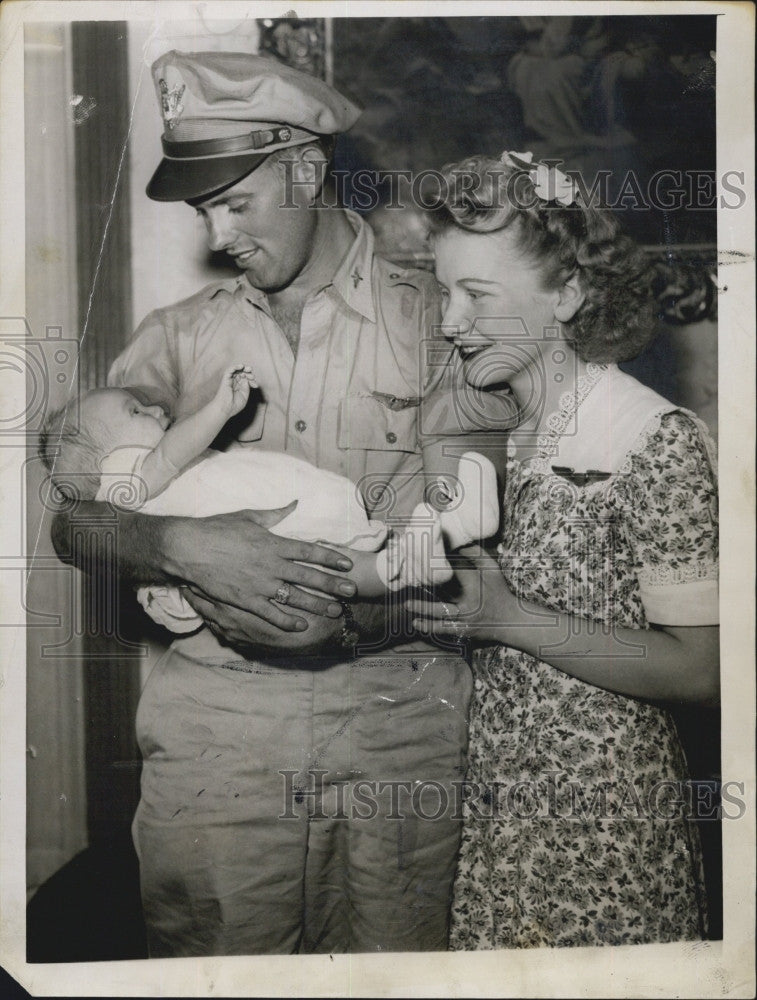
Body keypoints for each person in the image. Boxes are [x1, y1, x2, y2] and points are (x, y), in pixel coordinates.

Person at [49, 50, 516, 955]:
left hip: (398, 727)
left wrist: (344, 625)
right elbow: (79, 519)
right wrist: (180, 545)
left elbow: (472, 545)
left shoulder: (440, 322)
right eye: (203, 211)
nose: (220, 236)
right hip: (217, 739)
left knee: (396, 967)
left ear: (305, 171)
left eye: (235, 203)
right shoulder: (176, 338)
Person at [410, 150, 718, 948]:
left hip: (605, 822)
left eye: (477, 294)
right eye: (444, 292)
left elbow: (700, 667)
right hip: (501, 805)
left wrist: (505, 618)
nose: (450, 320)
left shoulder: (651, 437)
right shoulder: (497, 434)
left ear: (568, 293)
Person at [40, 370, 499, 630]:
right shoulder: (132, 479)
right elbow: (71, 526)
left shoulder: (155, 478)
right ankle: (416, 559)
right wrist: (219, 408)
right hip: (285, 539)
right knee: (349, 568)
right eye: (135, 411)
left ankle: (453, 526)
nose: (157, 410)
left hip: (296, 517)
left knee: (358, 560)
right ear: (110, 463)